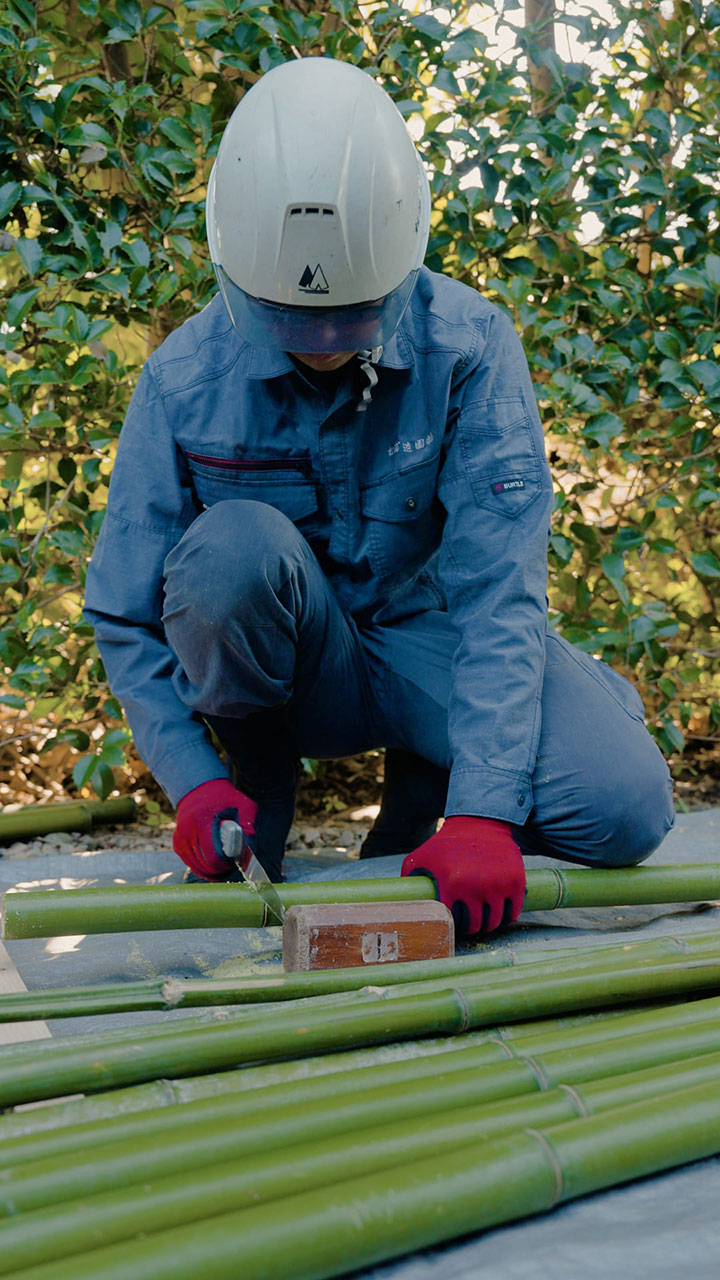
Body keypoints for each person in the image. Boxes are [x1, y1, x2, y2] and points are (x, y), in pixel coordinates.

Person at [84, 57, 675, 936]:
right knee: (230, 551)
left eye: (353, 315)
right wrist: (193, 778)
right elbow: (125, 611)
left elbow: (498, 592)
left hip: (432, 643)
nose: (324, 342)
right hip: (292, 678)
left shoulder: (469, 346)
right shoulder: (183, 380)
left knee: (626, 808)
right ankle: (258, 784)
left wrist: (484, 811)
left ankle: (430, 789)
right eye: (291, 320)